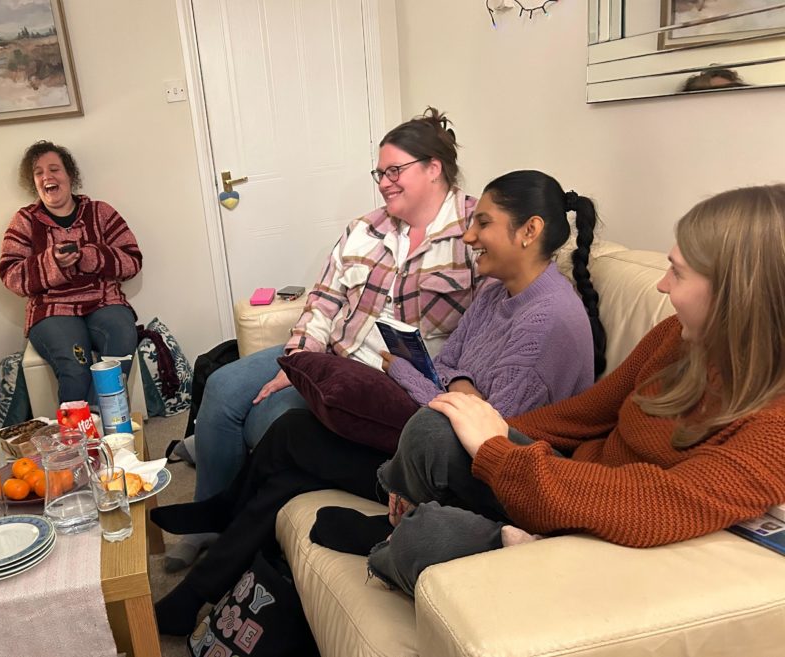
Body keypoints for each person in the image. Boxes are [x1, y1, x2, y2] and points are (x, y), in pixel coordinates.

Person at [151, 169, 607, 635]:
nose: (470, 236)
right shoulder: (496, 293)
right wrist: (461, 388)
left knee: (294, 445)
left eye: (483, 223)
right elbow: (448, 366)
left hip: (478, 479)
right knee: (291, 448)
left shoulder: (548, 321)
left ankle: (214, 541)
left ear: (529, 231)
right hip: (448, 446)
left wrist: (410, 374)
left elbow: (488, 436)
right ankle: (200, 581)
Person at [349, 183, 785, 597]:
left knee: (428, 537)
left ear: (740, 294)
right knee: (434, 427)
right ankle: (412, 514)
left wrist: (496, 451)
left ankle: (410, 542)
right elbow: (586, 413)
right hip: (566, 481)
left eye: (679, 273)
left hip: (612, 525)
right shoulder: (677, 335)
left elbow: (652, 503)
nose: (662, 284)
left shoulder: (775, 432)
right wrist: (489, 429)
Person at [169, 107, 478, 571]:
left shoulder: (475, 230)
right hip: (330, 353)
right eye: (379, 173)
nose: (384, 183)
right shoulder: (364, 229)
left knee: (268, 418)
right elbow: (324, 300)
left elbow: (486, 328)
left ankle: (235, 521)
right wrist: (296, 361)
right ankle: (206, 520)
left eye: (394, 171)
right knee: (223, 385)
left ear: (433, 168)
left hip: (386, 380)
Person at [0, 140, 142, 407]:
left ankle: (102, 423)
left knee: (121, 342)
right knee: (75, 369)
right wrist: (52, 261)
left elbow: (132, 261)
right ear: (33, 182)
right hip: (52, 310)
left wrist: (90, 256)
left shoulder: (100, 212)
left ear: (70, 175)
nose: (47, 177)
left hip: (104, 302)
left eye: (54, 169)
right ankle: (80, 431)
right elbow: (11, 276)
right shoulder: (24, 220)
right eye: (39, 173)